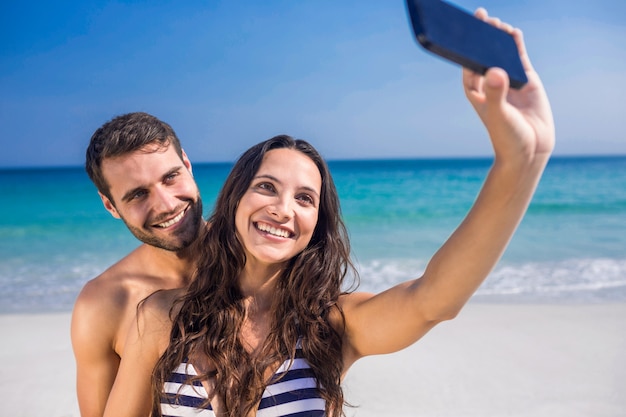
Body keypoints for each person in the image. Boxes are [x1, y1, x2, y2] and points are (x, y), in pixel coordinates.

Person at [103, 9, 555, 417]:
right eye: (266, 188)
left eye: (305, 199)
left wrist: (520, 162)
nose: (283, 209)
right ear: (234, 200)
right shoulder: (163, 317)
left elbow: (433, 301)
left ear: (316, 224)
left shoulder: (330, 326)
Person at [70, 112, 206, 417]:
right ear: (110, 205)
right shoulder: (105, 304)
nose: (166, 204)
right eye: (138, 194)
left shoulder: (257, 260)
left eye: (171, 177)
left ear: (187, 164)